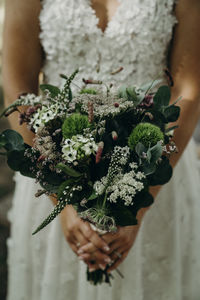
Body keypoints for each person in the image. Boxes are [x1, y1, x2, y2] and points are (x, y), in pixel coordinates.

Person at [2, 0, 200, 299]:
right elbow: (19, 91)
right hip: (54, 170)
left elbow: (188, 91)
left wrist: (140, 205)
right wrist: (62, 202)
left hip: (156, 171)